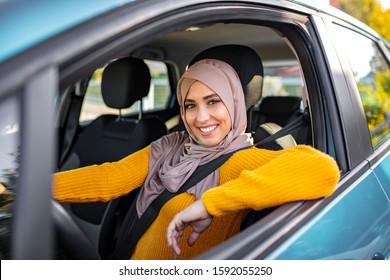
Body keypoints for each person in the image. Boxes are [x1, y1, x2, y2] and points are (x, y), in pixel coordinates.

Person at [53, 59, 340, 260]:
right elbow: (110, 178)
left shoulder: (240, 160)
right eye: (191, 105)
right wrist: (30, 187)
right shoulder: (172, 143)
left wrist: (210, 204)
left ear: (234, 102)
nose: (201, 118)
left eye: (213, 101)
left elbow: (323, 169)